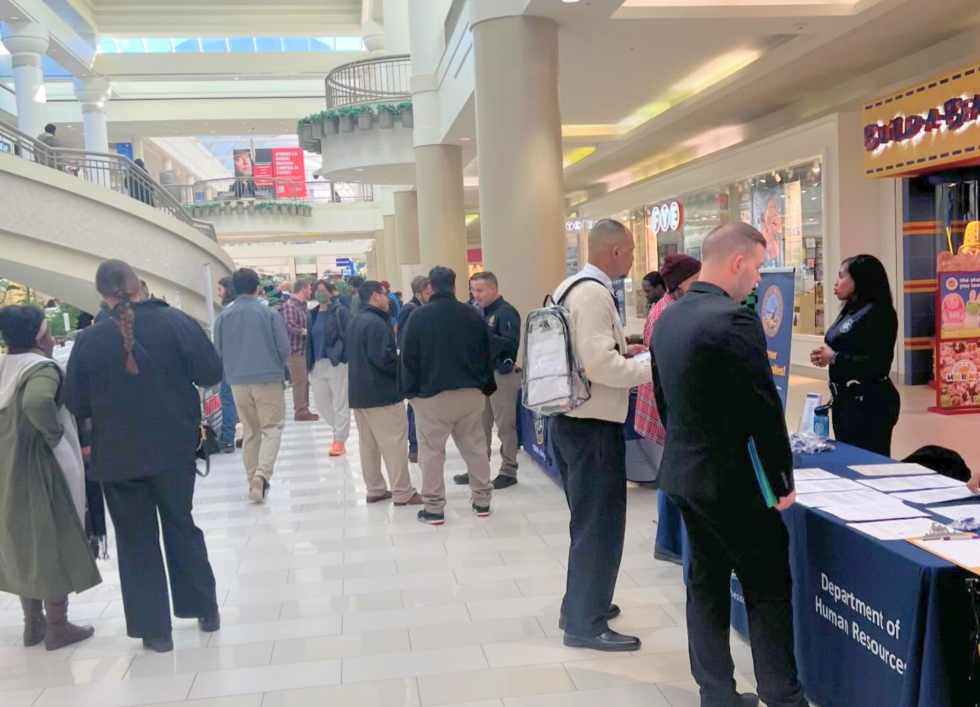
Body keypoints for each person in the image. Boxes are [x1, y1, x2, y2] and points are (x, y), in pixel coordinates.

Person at [652, 223, 807, 707]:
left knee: (705, 584)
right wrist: (781, 480)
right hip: (732, 483)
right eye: (757, 267)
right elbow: (763, 409)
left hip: (684, 473)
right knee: (767, 588)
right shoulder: (734, 320)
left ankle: (716, 693)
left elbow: (663, 400)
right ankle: (782, 695)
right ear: (737, 262)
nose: (758, 279)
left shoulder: (669, 317)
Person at [65, 260, 223, 654]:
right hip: (174, 448)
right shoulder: (177, 323)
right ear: (140, 285)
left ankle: (155, 631)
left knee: (136, 541)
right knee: (181, 525)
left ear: (102, 295)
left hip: (117, 457)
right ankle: (204, 608)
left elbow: (76, 402)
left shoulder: (89, 340)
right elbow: (210, 372)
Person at [550, 219, 652, 652]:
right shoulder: (593, 294)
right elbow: (599, 366)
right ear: (615, 251)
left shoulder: (569, 287)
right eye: (631, 250)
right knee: (600, 526)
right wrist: (649, 367)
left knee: (588, 522)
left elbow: (586, 352)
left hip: (573, 421)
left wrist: (624, 351)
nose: (633, 257)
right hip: (591, 426)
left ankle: (581, 604)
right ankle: (584, 624)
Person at [0, 305, 100, 652]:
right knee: (54, 537)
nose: (53, 340)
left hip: (8, 466)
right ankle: (57, 626)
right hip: (41, 467)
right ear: (38, 335)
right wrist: (54, 437)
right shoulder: (41, 368)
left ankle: (33, 623)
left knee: (24, 540)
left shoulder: (4, 367)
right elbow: (38, 402)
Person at [400, 266, 495, 525]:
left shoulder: (419, 317)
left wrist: (411, 393)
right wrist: (485, 386)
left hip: (432, 397)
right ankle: (482, 501)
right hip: (470, 395)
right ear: (454, 286)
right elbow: (487, 352)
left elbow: (408, 357)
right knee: (475, 448)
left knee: (431, 453)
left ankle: (434, 509)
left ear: (430, 287)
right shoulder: (473, 315)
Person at [634, 254, 701, 564]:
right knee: (674, 476)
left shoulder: (669, 309)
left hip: (667, 403)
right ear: (681, 284)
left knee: (671, 472)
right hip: (670, 405)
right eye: (697, 280)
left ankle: (669, 541)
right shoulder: (669, 314)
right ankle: (670, 542)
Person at [810, 255, 900, 456]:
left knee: (867, 462)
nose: (836, 283)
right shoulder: (850, 310)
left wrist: (834, 357)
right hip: (845, 401)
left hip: (869, 403)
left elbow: (878, 364)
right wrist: (824, 355)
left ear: (859, 279)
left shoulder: (879, 312)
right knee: (848, 458)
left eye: (842, 276)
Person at [214, 268, 290, 503]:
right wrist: (276, 366)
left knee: (250, 431)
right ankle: (262, 475)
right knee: (272, 428)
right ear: (258, 288)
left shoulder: (223, 317)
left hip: (237, 381)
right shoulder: (269, 314)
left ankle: (251, 479)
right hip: (267, 379)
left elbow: (218, 351)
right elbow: (284, 349)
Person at [346, 281, 422, 505]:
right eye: (385, 294)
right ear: (375, 296)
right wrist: (403, 365)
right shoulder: (376, 323)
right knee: (394, 443)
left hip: (359, 394)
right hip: (382, 394)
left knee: (368, 445)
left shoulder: (355, 320)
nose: (388, 298)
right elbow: (384, 359)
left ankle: (375, 489)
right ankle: (402, 491)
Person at [454, 272, 522, 490]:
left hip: (502, 375)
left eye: (480, 290)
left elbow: (510, 343)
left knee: (505, 426)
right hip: (481, 375)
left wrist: (483, 333)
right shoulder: (477, 313)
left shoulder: (506, 312)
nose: (476, 295)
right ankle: (478, 469)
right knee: (479, 426)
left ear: (493, 288)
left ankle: (508, 470)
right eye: (473, 290)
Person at [307, 280, 353, 457]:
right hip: (317, 364)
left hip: (336, 363)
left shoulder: (340, 311)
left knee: (340, 402)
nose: (320, 293)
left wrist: (343, 355)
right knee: (322, 403)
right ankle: (337, 428)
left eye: (323, 290)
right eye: (316, 290)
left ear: (330, 292)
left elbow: (349, 335)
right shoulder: (312, 314)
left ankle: (340, 440)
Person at [398, 276, 432, 464]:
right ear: (418, 294)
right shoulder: (410, 310)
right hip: (415, 368)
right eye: (428, 293)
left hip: (422, 366)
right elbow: (404, 340)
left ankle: (418, 445)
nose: (431, 295)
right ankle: (415, 446)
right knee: (414, 407)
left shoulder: (422, 309)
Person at [281, 279, 319, 423]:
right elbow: (290, 326)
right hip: (295, 350)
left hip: (304, 350)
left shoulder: (303, 306)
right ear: (303, 290)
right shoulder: (290, 306)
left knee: (304, 381)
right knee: (299, 381)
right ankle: (300, 411)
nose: (311, 291)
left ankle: (304, 409)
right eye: (309, 288)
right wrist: (307, 332)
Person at [215, 277, 239, 453]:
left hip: (230, 363)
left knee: (228, 399)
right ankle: (250, 435)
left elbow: (219, 344)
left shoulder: (226, 314)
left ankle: (227, 438)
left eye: (220, 289)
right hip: (248, 363)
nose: (218, 293)